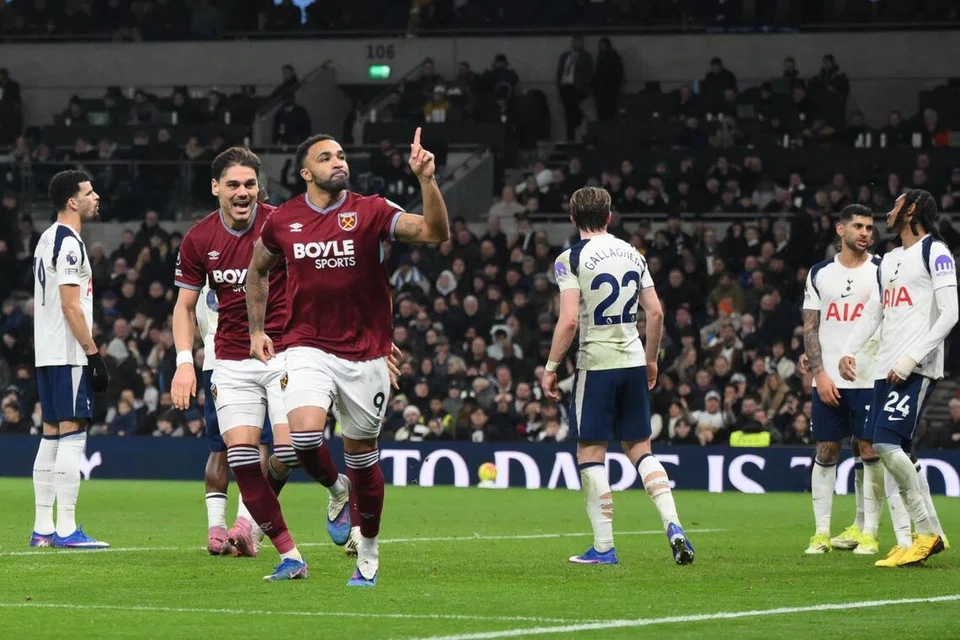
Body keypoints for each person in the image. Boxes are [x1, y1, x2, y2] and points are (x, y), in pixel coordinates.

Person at [246, 127, 450, 586]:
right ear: (305, 172)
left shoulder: (372, 210)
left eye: (341, 155)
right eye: (326, 157)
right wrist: (258, 329)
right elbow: (257, 270)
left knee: (363, 458)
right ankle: (335, 490)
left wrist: (427, 180)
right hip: (306, 346)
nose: (338, 162)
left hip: (366, 354)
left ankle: (370, 554)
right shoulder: (283, 220)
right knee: (301, 439)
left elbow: (436, 232)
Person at [171, 147, 351, 581]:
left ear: (258, 188)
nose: (242, 192)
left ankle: (338, 487)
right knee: (243, 459)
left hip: (285, 350)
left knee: (291, 448)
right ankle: (289, 554)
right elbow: (184, 306)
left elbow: (326, 278)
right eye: (233, 184)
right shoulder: (199, 238)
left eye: (249, 184)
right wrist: (184, 361)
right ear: (216, 188)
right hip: (230, 360)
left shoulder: (282, 224)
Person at [541, 186, 694, 566]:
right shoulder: (632, 253)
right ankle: (673, 524)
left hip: (597, 364)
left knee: (590, 452)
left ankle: (604, 548)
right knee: (641, 448)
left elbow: (570, 319)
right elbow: (655, 313)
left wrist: (551, 367)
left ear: (573, 219)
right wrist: (651, 360)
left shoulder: (570, 259)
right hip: (632, 361)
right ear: (609, 216)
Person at [840, 189, 957, 567]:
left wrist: (910, 358)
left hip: (914, 366)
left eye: (895, 205)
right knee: (895, 450)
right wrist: (849, 349)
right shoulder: (889, 258)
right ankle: (926, 535)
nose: (888, 211)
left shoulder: (935, 251)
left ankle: (926, 532)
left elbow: (950, 313)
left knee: (886, 445)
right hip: (883, 367)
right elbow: (876, 312)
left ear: (911, 211)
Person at [800, 204, 910, 555]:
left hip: (871, 375)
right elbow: (810, 326)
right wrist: (819, 372)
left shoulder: (882, 269)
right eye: (858, 226)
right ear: (840, 229)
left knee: (868, 448)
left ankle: (870, 532)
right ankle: (820, 533)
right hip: (829, 379)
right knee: (827, 450)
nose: (866, 233)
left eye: (870, 227)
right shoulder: (819, 273)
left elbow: (893, 318)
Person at [30, 170, 111, 549]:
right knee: (73, 433)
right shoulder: (70, 244)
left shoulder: (45, 239)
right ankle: (66, 528)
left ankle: (43, 528)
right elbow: (70, 305)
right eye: (89, 192)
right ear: (72, 201)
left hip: (46, 352)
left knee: (50, 435)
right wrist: (93, 354)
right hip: (68, 352)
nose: (96, 197)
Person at [192, 276, 278, 557]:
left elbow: (189, 311)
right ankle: (244, 522)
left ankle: (215, 530)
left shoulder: (205, 259)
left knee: (218, 447)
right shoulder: (255, 255)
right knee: (257, 444)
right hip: (250, 356)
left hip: (213, 358)